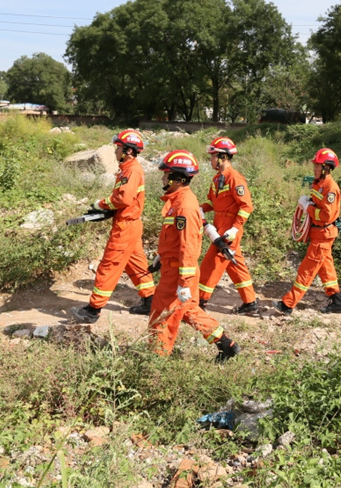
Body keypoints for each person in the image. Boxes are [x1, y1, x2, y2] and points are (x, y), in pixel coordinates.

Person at [148, 149, 241, 362]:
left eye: (166, 174)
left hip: (178, 274)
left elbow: (188, 247)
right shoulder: (178, 202)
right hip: (174, 268)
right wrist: (161, 257)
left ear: (178, 178)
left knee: (161, 316)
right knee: (188, 310)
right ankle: (227, 345)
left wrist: (184, 282)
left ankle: (155, 361)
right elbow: (175, 240)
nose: (163, 177)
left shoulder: (185, 207)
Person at [70, 129, 155, 323]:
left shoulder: (132, 170)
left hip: (125, 227)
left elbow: (123, 198)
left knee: (108, 267)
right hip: (130, 224)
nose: (115, 151)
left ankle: (93, 310)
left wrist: (101, 204)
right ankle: (150, 301)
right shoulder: (128, 168)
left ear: (128, 150)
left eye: (118, 148)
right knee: (137, 265)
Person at [275, 148, 341, 315]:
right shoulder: (319, 184)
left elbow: (326, 215)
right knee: (326, 268)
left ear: (326, 168)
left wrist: (309, 208)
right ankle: (336, 301)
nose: (314, 168)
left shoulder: (330, 188)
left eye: (317, 166)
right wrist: (309, 201)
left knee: (307, 270)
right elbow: (318, 205)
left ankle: (288, 304)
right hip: (319, 234)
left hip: (323, 234)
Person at [197, 137, 258, 314]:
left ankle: (199, 303)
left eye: (213, 156)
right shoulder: (217, 179)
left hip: (230, 230)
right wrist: (200, 208)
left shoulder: (235, 178)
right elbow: (212, 202)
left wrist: (235, 228)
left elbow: (246, 205)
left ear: (223, 157)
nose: (211, 160)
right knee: (235, 264)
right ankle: (250, 303)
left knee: (211, 264)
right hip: (220, 226)